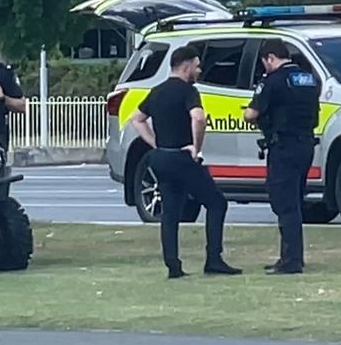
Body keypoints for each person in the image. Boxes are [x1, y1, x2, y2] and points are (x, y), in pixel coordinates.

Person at [129, 46, 239, 279]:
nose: (199, 71)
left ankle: (173, 265)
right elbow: (198, 117)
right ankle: (214, 259)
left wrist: (155, 143)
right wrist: (196, 148)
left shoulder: (157, 91)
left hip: (161, 158)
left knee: (170, 212)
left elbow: (137, 119)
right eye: (197, 66)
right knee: (217, 203)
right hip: (182, 157)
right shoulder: (188, 91)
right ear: (186, 66)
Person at [244, 40, 321, 275]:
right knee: (294, 201)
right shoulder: (307, 78)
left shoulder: (272, 81)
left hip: (283, 147)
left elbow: (250, 114)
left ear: (270, 58)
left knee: (284, 204)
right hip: (305, 145)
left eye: (264, 62)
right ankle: (292, 255)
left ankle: (291, 260)